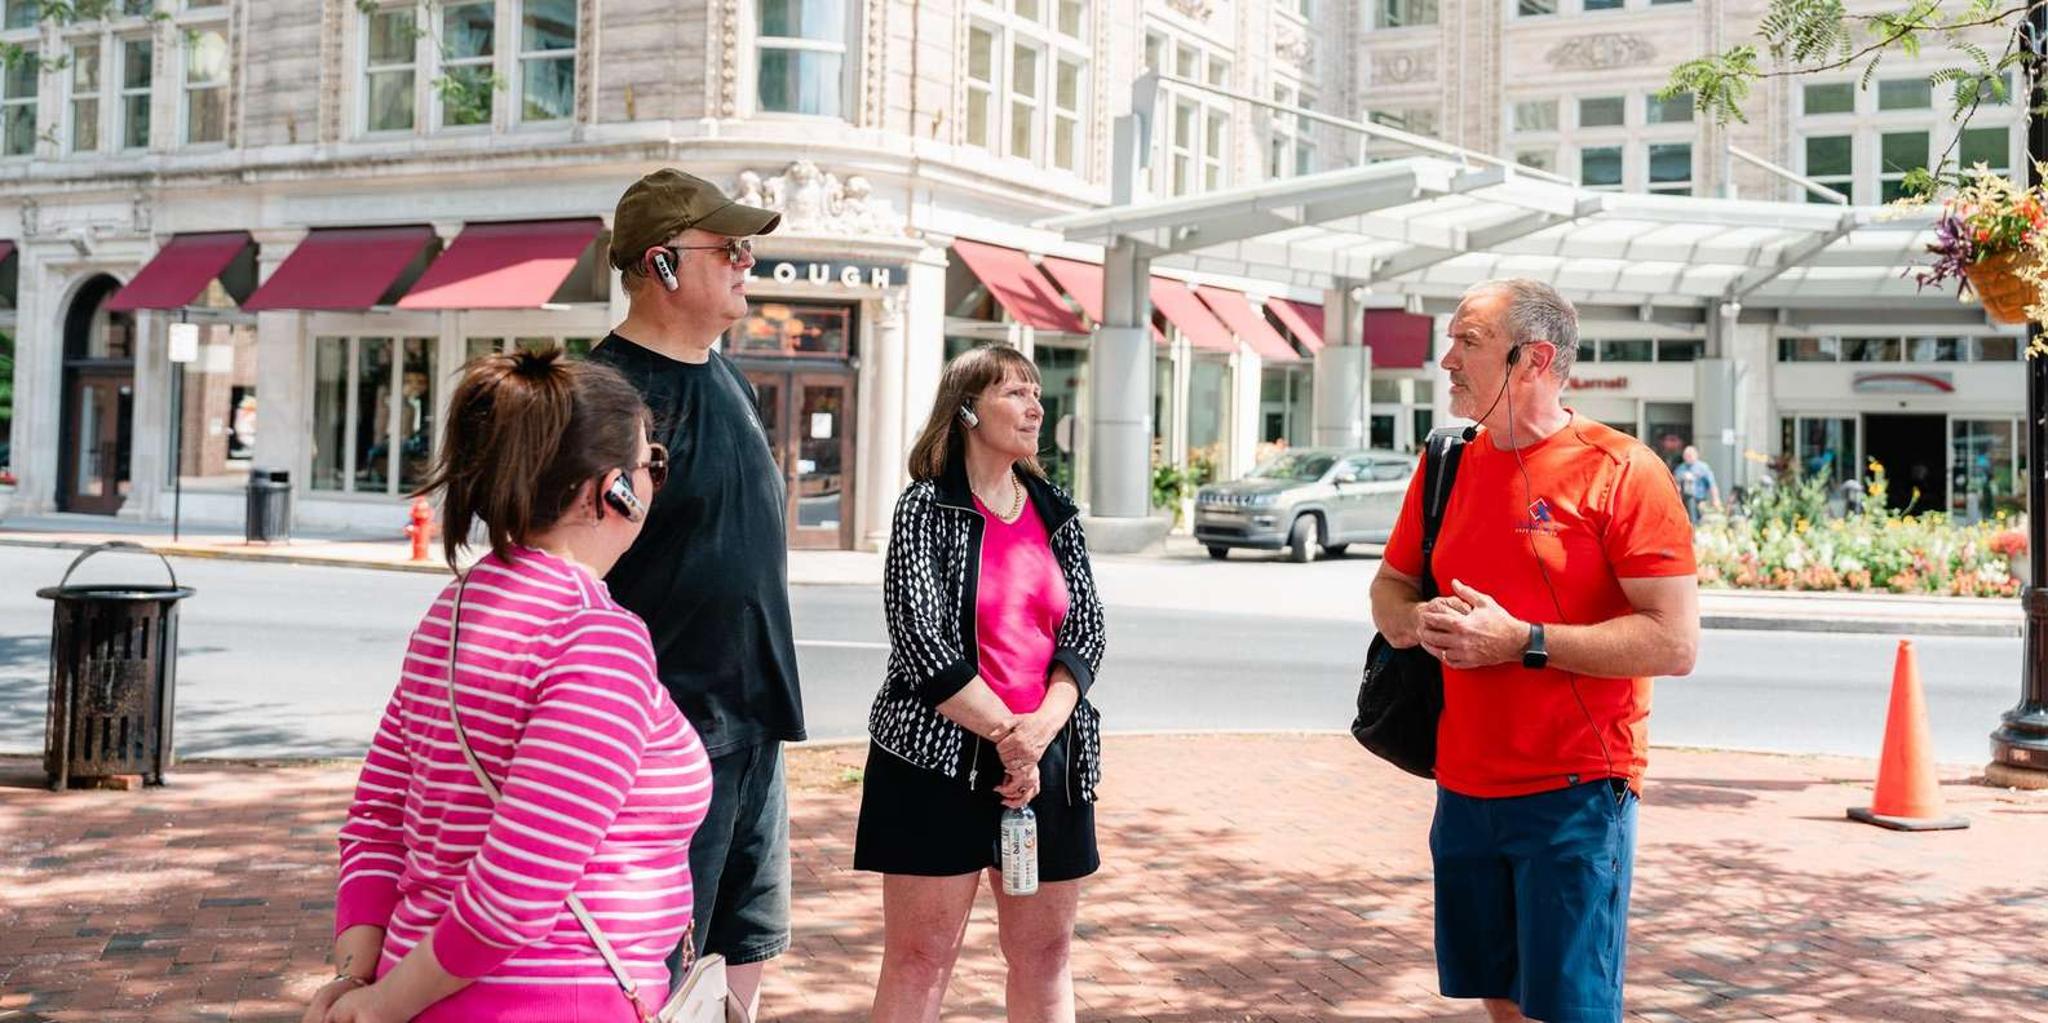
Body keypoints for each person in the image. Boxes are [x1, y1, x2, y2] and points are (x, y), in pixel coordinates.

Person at [309, 349, 711, 1023]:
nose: (656, 482)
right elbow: (514, 891)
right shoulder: (596, 638)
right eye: (654, 465)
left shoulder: (455, 609)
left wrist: (362, 978)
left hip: (421, 990)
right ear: (610, 491)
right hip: (552, 999)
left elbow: (377, 819)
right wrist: (377, 1004)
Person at [1368, 279, 1700, 1023]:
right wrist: (1420, 622)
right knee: (1505, 1001)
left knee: (1572, 1011)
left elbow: (1675, 640)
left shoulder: (1623, 470)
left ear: (1534, 359)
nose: (1445, 359)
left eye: (1469, 342)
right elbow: (1389, 586)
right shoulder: (1446, 463)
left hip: (1577, 791)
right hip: (1463, 786)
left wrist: (1521, 642)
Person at [587, 169, 804, 1017]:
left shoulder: (732, 380)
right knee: (656, 975)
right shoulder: (604, 399)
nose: (749, 262)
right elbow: (571, 574)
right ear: (663, 263)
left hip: (756, 728)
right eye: (731, 248)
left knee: (741, 954)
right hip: (667, 741)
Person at [858, 343, 1108, 1023]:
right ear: (967, 409)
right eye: (1015, 392)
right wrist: (1009, 736)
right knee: (918, 961)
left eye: (1036, 391)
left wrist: (1039, 734)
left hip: (1048, 764)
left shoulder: (1057, 512)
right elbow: (921, 643)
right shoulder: (925, 510)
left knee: (1046, 957)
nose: (1036, 405)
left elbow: (1085, 633)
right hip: (933, 763)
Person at [1671, 445, 1721, 524]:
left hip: (1699, 500)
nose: (1688, 457)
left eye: (1690, 455)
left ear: (1696, 455)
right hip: (1684, 501)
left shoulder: (1703, 468)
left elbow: (1712, 485)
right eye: (1686, 455)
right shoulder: (1680, 469)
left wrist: (1716, 499)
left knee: (1698, 521)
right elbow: (1674, 484)